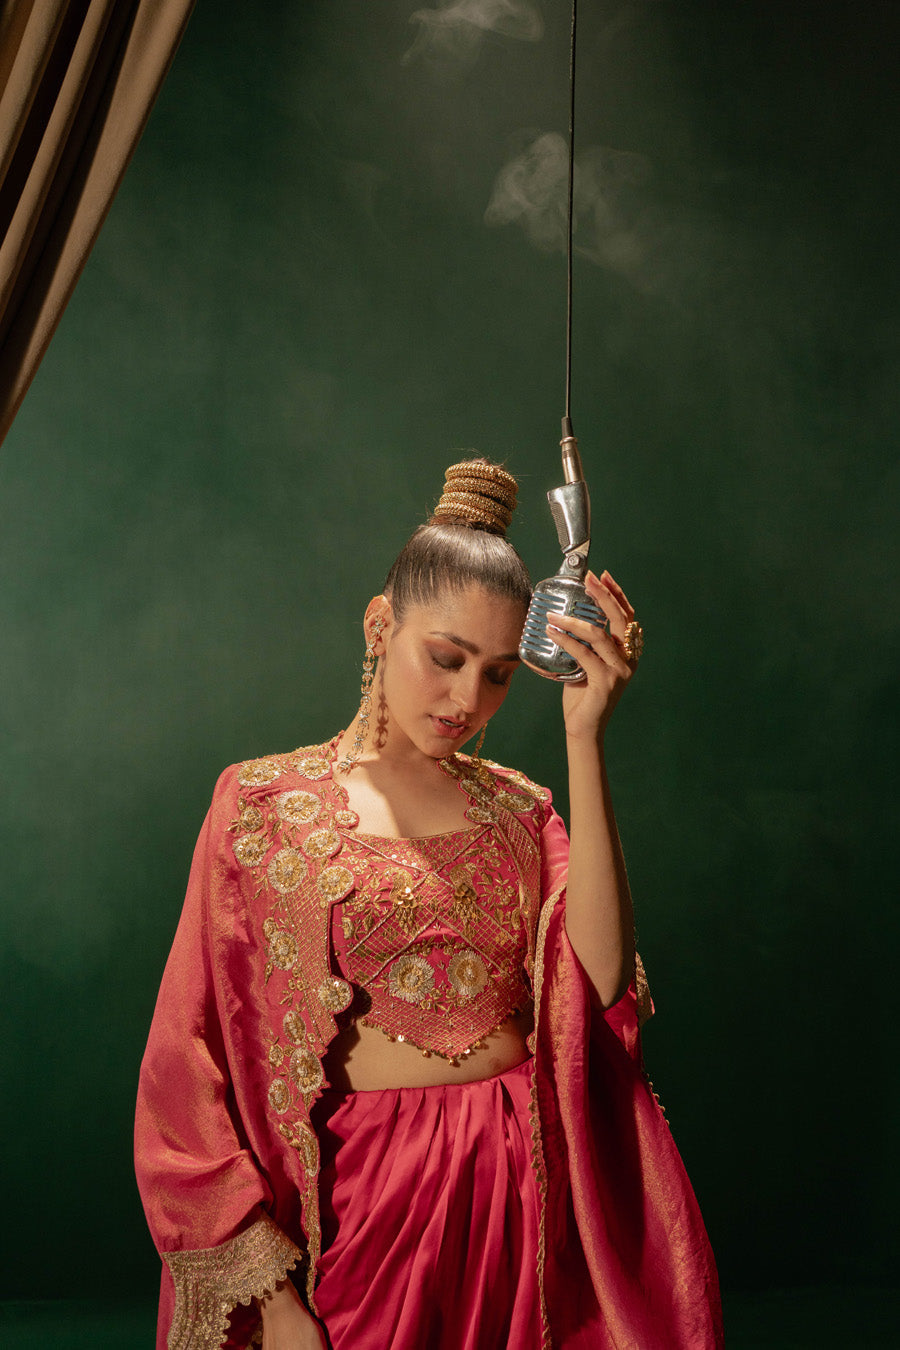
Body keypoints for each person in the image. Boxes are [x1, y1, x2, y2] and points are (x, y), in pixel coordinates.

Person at [135, 459, 723, 1350]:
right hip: (366, 1205)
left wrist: (583, 737)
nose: (465, 700)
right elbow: (187, 1060)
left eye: (496, 674)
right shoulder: (264, 808)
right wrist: (278, 1300)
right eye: (444, 659)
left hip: (519, 1198)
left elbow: (597, 985)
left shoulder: (520, 809)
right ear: (382, 623)